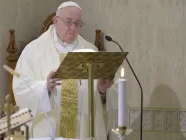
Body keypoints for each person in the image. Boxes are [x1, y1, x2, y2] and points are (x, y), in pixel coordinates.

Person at [13, 1, 118, 140]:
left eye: (78, 23)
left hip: (83, 133)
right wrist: (45, 88)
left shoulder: (90, 51)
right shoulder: (33, 50)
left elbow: (103, 101)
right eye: (68, 22)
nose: (73, 28)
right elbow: (20, 88)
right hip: (48, 131)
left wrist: (102, 91)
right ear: (55, 21)